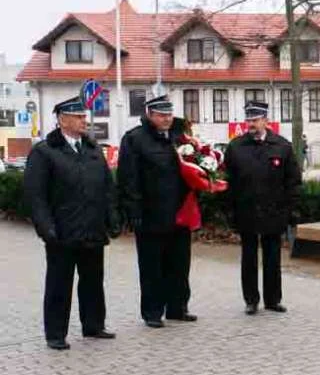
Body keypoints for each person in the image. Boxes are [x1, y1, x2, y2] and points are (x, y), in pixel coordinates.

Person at [24, 96, 120, 350]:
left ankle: (94, 325)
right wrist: (46, 229)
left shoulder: (92, 149)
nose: (83, 121)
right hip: (62, 232)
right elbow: (36, 196)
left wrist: (112, 219)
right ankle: (55, 334)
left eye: (84, 117)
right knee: (59, 284)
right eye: (78, 117)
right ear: (62, 120)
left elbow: (107, 188)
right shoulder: (45, 152)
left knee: (93, 281)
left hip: (92, 229)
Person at [117, 95, 196, 328]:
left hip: (180, 213)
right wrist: (134, 211)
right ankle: (152, 311)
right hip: (151, 213)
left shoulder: (180, 138)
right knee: (152, 266)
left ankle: (177, 307)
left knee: (180, 263)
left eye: (169, 115)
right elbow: (128, 178)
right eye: (162, 115)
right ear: (150, 115)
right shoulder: (135, 140)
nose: (167, 119)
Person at [225, 100, 301, 315]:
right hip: (246, 210)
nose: (251, 124)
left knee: (272, 257)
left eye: (256, 120)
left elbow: (293, 181)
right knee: (248, 257)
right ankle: (251, 300)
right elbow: (229, 181)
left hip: (273, 211)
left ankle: (273, 299)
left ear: (266, 121)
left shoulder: (282, 146)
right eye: (248, 119)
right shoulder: (236, 146)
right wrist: (230, 211)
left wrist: (292, 211)